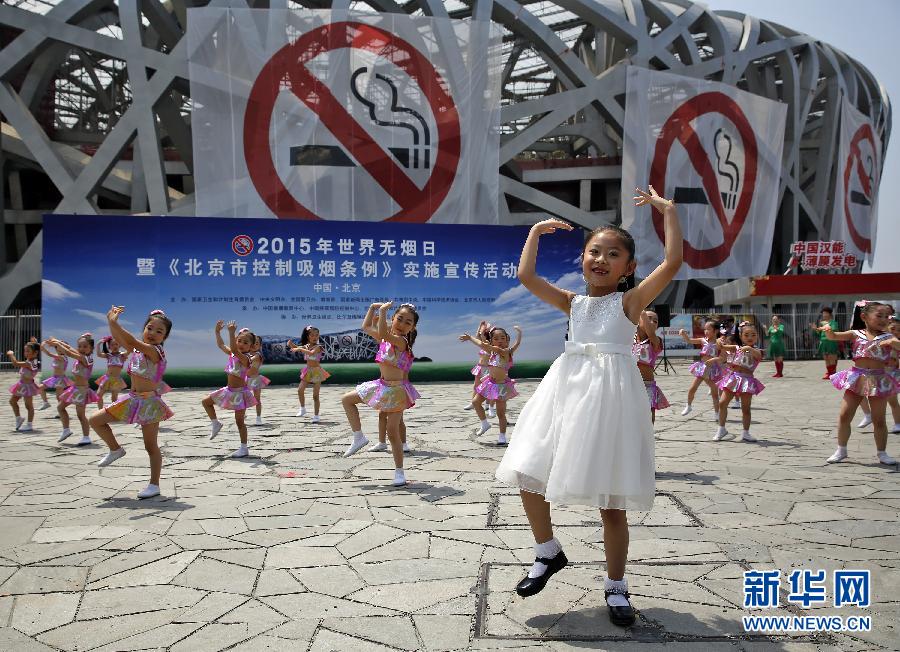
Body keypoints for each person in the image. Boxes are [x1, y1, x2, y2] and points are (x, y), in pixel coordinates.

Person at [495, 186, 683, 627]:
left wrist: (669, 212)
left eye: (613, 254)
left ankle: (616, 586)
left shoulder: (630, 301)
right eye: (594, 251)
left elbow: (673, 262)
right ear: (582, 258)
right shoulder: (572, 302)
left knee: (612, 502)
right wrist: (536, 233)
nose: (601, 259)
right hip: (564, 392)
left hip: (610, 400)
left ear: (629, 268)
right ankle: (547, 551)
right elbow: (526, 276)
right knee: (527, 468)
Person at [89, 308, 174, 499]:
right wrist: (111, 322)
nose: (152, 333)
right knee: (95, 420)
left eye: (159, 331)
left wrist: (115, 323)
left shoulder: (156, 351)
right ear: (144, 328)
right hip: (132, 399)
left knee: (150, 446)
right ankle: (115, 449)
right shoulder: (137, 349)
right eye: (149, 328)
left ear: (165, 337)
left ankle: (154, 485)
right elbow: (122, 339)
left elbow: (131, 341)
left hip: (149, 403)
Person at [341, 302, 420, 487]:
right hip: (381, 385)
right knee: (347, 400)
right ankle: (359, 437)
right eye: (399, 319)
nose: (402, 324)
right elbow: (366, 327)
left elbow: (383, 332)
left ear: (412, 328)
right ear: (393, 318)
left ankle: (399, 472)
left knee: (392, 431)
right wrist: (372, 308)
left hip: (397, 391)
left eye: (408, 322)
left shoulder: (401, 342)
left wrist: (382, 312)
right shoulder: (385, 339)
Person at [823, 301, 898, 465]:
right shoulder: (855, 333)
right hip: (856, 378)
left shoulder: (888, 336)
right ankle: (841, 450)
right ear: (864, 317)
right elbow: (834, 336)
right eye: (879, 316)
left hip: (878, 380)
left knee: (879, 420)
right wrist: (829, 331)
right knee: (844, 415)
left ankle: (882, 453)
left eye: (886, 316)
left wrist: (894, 343)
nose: (884, 319)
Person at [201, 321, 257, 458]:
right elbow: (221, 345)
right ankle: (215, 423)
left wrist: (231, 333)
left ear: (251, 347)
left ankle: (244, 448)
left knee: (239, 422)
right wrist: (217, 332)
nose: (241, 344)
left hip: (240, 393)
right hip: (228, 390)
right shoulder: (232, 353)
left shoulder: (246, 358)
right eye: (239, 341)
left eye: (245, 342)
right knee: (206, 402)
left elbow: (235, 349)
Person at [461, 325, 521, 444]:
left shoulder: (506, 351)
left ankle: (502, 436)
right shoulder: (492, 352)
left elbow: (517, 343)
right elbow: (482, 344)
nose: (500, 341)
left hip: (501, 386)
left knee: (501, 414)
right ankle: (484, 424)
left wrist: (519, 333)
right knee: (475, 402)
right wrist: (471, 338)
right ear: (492, 340)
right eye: (496, 339)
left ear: (507, 340)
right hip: (490, 383)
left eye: (502, 338)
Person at [715, 321, 765, 443]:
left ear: (757, 336)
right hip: (733, 378)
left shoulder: (758, 350)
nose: (750, 337)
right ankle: (721, 429)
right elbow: (721, 347)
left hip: (747, 381)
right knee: (722, 403)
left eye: (753, 335)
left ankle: (746, 433)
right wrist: (719, 341)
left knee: (745, 408)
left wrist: (749, 348)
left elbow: (758, 355)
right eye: (746, 335)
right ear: (741, 336)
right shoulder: (736, 348)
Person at [53, 333, 99, 445]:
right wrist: (58, 341)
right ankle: (66, 430)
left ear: (91, 348)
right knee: (60, 407)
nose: (81, 349)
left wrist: (59, 343)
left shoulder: (87, 359)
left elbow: (69, 352)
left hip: (82, 390)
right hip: (74, 388)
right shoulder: (80, 356)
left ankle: (86, 437)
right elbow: (70, 349)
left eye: (85, 346)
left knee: (80, 415)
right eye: (79, 346)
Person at [679, 319, 723, 418]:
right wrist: (683, 334)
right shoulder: (703, 340)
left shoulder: (719, 343)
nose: (706, 331)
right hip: (702, 368)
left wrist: (714, 359)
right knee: (692, 388)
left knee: (714, 392)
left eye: (708, 329)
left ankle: (717, 413)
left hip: (712, 370)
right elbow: (689, 340)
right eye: (705, 329)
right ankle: (688, 406)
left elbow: (723, 357)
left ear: (716, 331)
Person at [633, 310, 668, 424]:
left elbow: (651, 334)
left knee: (648, 416)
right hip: (629, 383)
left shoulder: (656, 341)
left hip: (647, 385)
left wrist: (642, 313)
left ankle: (648, 435)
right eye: (649, 319)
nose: (652, 322)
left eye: (655, 321)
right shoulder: (628, 339)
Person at [288, 325, 330, 422]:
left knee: (315, 396)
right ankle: (302, 409)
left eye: (316, 335)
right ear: (308, 336)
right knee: (300, 390)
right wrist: (291, 344)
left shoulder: (318, 347)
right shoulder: (306, 346)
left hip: (317, 372)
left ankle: (316, 416)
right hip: (308, 370)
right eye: (312, 335)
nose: (315, 337)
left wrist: (299, 349)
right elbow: (296, 348)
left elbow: (311, 353)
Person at [463, 321, 496, 418]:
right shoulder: (483, 344)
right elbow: (477, 337)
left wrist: (483, 332)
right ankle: (473, 403)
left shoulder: (490, 347)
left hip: (488, 369)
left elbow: (479, 338)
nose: (483, 335)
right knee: (476, 386)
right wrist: (480, 326)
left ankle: (488, 405)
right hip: (480, 367)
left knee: (488, 388)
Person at [7, 341, 41, 431]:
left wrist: (11, 354)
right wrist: (35, 342)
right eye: (25, 351)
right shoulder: (30, 361)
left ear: (35, 353)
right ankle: (19, 418)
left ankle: (29, 424)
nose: (25, 353)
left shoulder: (30, 363)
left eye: (28, 351)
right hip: (21, 385)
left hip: (28, 386)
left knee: (28, 406)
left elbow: (15, 363)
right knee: (12, 401)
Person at [95, 336, 128, 408]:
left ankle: (113, 412)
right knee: (98, 395)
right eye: (112, 345)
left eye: (116, 344)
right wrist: (98, 344)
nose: (114, 346)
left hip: (116, 379)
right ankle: (100, 410)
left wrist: (123, 342)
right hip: (107, 378)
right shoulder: (108, 355)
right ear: (109, 347)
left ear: (119, 345)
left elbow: (129, 350)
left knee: (114, 398)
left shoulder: (122, 355)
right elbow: (98, 354)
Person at [247, 336, 271, 426]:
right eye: (252, 343)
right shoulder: (246, 354)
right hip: (245, 379)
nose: (254, 345)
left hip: (255, 380)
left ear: (260, 346)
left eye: (256, 343)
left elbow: (249, 361)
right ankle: (242, 414)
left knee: (257, 399)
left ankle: (258, 417)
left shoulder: (258, 355)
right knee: (243, 398)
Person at [812, 307, 840, 380]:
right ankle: (829, 372)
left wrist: (822, 327)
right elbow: (819, 333)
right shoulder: (822, 323)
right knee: (826, 358)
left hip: (831, 341)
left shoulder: (833, 322)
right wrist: (816, 329)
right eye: (823, 313)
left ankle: (833, 373)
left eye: (825, 313)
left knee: (831, 357)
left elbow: (832, 330)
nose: (824, 315)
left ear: (829, 314)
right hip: (823, 342)